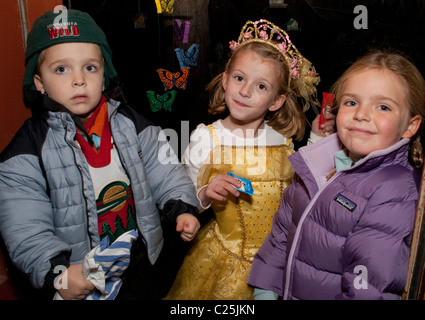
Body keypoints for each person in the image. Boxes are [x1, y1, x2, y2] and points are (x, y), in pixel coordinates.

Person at [0, 9, 200, 300]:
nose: (79, 79)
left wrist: (181, 206)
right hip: (79, 274)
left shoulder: (131, 123)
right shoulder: (27, 150)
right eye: (61, 69)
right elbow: (24, 223)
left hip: (140, 263)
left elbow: (164, 167)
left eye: (90, 67)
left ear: (104, 74)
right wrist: (57, 273)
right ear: (39, 81)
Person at [165, 19, 333, 300]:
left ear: (277, 101)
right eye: (240, 78)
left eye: (261, 86)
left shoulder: (282, 141)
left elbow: (303, 186)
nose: (245, 91)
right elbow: (184, 194)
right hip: (225, 259)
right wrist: (205, 193)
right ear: (225, 79)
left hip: (279, 260)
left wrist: (317, 138)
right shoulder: (206, 139)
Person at [248, 49, 425, 300]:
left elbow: (368, 288)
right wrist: (265, 292)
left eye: (383, 106)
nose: (361, 115)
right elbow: (281, 235)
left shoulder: (394, 190)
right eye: (352, 102)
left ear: (409, 125)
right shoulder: (316, 166)